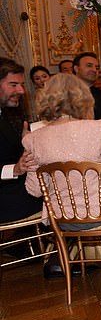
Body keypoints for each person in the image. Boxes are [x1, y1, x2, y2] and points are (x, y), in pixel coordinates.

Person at [22, 73, 101, 270]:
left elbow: (35, 190)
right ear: (82, 97)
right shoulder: (97, 128)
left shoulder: (33, 139)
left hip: (63, 220)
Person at [0, 57, 41, 224]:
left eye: (22, 85)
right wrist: (14, 170)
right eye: (13, 85)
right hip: (6, 199)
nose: (21, 91)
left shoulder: (7, 115)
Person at [73, 52, 101, 120]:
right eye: (89, 65)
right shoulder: (65, 93)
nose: (94, 70)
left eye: (97, 67)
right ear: (76, 69)